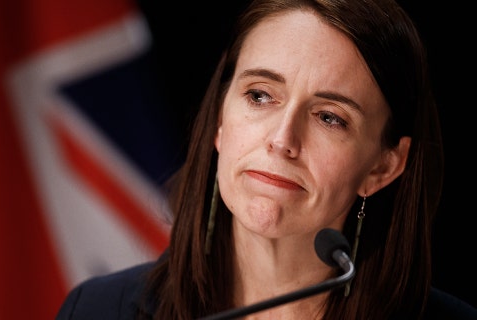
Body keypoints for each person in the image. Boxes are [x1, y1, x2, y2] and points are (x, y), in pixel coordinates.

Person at [56, 0, 477, 319]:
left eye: (330, 117)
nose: (281, 140)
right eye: (260, 96)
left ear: (382, 167)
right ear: (220, 118)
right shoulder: (97, 310)